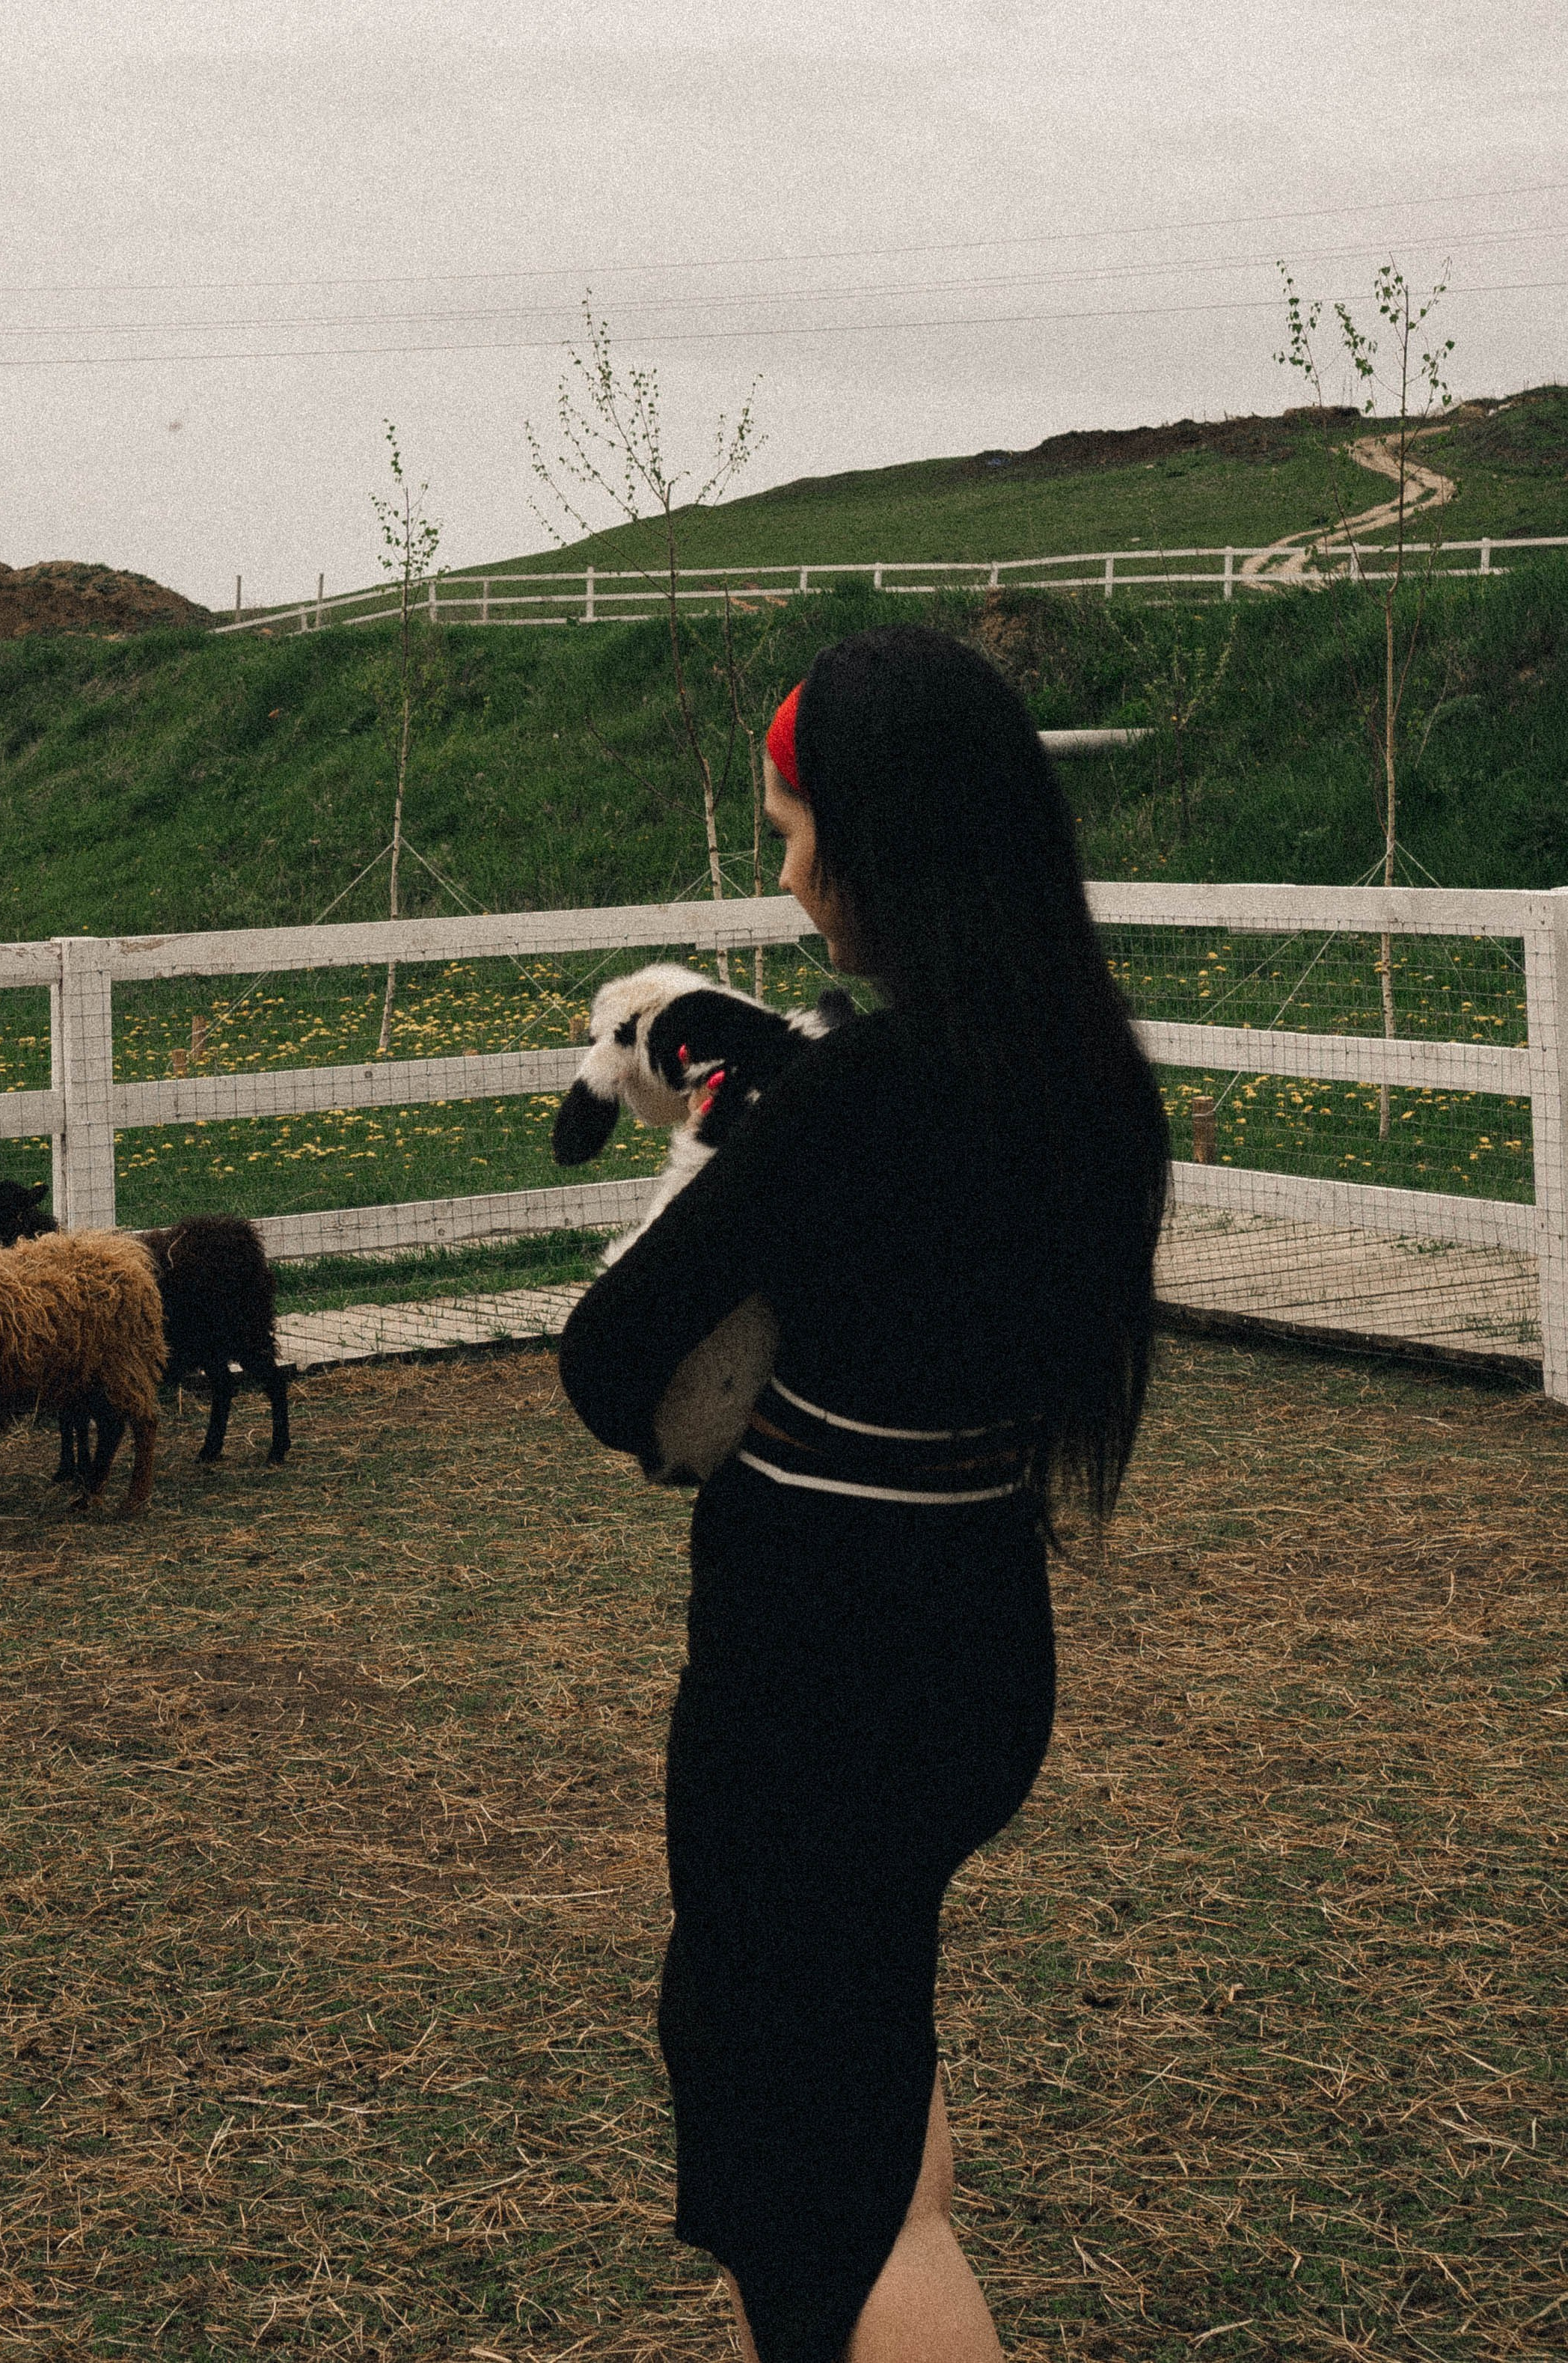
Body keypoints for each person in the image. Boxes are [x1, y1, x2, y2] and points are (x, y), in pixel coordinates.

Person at [557, 625, 1169, 2363]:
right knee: (861, 2068)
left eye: (791, 824)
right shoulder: (1089, 1079)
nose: (787, 865)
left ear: (874, 836)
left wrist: (730, 1143)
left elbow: (612, 1362)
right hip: (976, 1644)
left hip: (816, 1678)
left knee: (805, 2194)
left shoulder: (857, 1100)